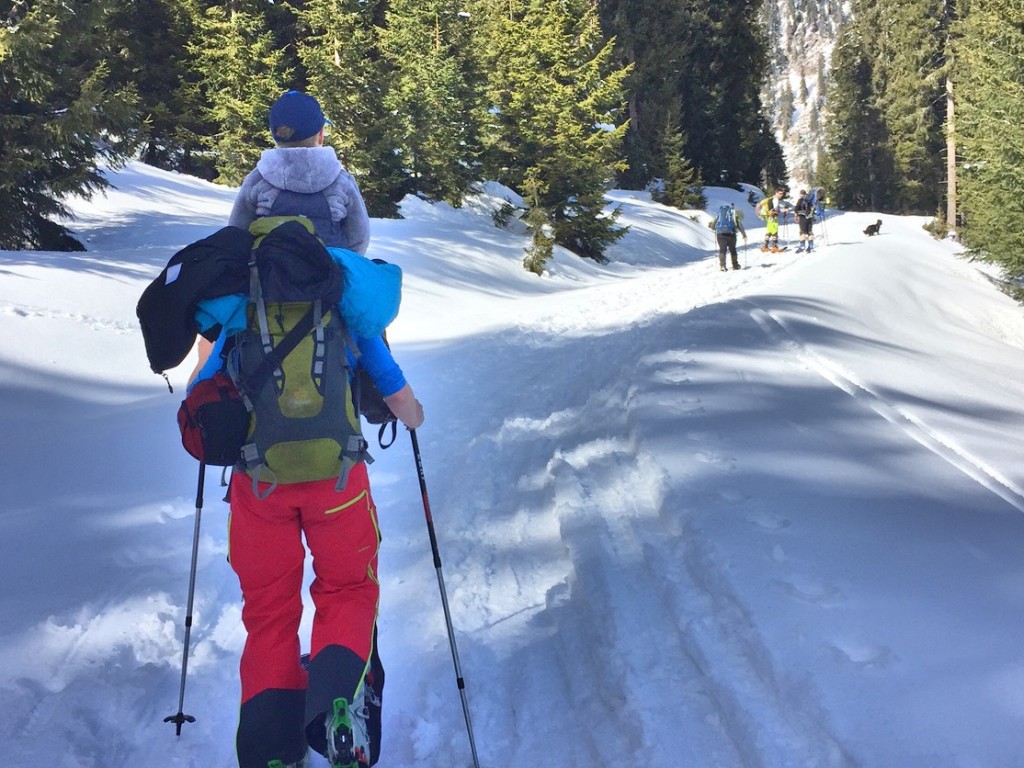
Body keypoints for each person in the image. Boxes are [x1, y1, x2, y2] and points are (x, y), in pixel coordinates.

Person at [196, 91, 425, 768]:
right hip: (338, 477)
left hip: (259, 483)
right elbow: (390, 382)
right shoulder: (342, 287)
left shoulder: (242, 287)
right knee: (348, 590)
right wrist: (409, 414)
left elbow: (208, 374)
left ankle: (270, 751)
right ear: (324, 134)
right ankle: (339, 713)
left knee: (268, 611)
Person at [229, 90, 370, 254]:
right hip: (328, 275)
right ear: (321, 135)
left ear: (275, 136)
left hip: (267, 275)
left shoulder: (258, 178)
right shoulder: (341, 181)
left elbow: (236, 231)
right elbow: (359, 238)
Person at [712, 203, 747, 271]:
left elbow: (713, 226)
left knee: (722, 250)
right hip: (731, 235)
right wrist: (744, 235)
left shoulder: (718, 214)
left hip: (720, 235)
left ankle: (722, 266)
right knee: (733, 250)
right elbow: (739, 224)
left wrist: (717, 230)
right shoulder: (733, 214)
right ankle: (735, 265)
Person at [756, 188, 788, 252]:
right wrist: (784, 210)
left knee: (769, 232)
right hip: (773, 217)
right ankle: (774, 247)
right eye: (780, 193)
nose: (781, 195)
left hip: (768, 217)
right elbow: (776, 209)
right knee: (775, 232)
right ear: (776, 193)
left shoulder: (770, 199)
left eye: (782, 194)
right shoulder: (775, 199)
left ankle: (765, 246)